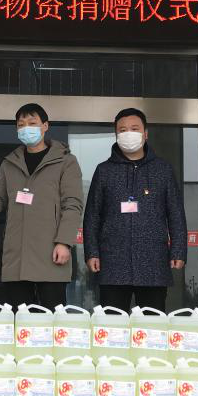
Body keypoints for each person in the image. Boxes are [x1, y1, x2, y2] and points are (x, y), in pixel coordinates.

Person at [0, 103, 83, 308]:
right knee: (19, 318)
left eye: (32, 123)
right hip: (17, 258)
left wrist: (64, 242)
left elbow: (72, 204)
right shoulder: (10, 163)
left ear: (45, 126)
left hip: (51, 253)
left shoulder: (65, 161)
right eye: (21, 125)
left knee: (52, 318)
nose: (26, 128)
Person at [82, 108, 187, 311]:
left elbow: (175, 213)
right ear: (116, 135)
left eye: (134, 128)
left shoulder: (163, 169)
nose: (128, 133)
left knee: (152, 323)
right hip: (113, 262)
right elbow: (92, 215)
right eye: (122, 130)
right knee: (112, 323)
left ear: (145, 134)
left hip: (153, 261)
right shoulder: (104, 171)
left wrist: (178, 250)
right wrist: (92, 252)